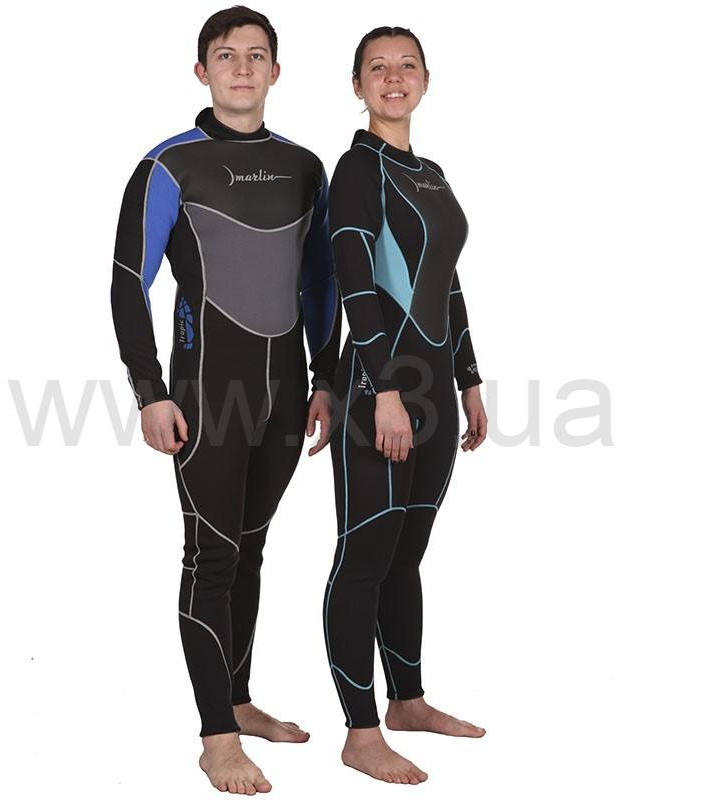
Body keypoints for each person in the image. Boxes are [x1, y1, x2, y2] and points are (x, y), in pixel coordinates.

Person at [109, 7, 341, 795]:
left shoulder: (305, 166)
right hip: (206, 390)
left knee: (251, 547)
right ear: (201, 70)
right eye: (225, 54)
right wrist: (149, 392)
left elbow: (322, 282)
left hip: (285, 392)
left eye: (256, 55)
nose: (241, 67)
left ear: (276, 71)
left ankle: (237, 701)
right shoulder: (169, 165)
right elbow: (127, 283)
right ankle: (216, 739)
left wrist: (325, 377)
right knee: (211, 554)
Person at [322, 26, 488, 784]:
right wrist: (383, 389)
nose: (394, 78)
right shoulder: (357, 169)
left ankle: (408, 701)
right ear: (357, 85)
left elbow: (445, 281)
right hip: (377, 392)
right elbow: (357, 286)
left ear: (425, 79)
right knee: (364, 557)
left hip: (436, 393)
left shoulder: (432, 173)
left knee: (405, 556)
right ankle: (360, 733)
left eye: (407, 66)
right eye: (378, 68)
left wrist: (469, 378)